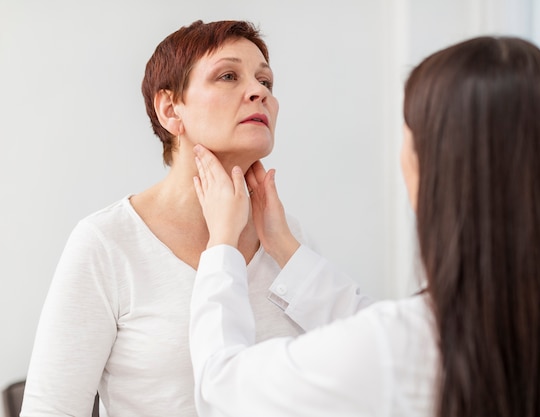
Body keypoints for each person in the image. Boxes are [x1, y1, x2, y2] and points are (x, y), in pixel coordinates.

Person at [189, 36, 540, 417]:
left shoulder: (398, 349)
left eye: (406, 134)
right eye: (228, 75)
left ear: (434, 165)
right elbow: (377, 328)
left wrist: (221, 244)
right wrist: (284, 247)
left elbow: (221, 390)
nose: (258, 91)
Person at [21, 20, 366, 417]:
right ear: (170, 109)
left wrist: (285, 245)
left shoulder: (290, 240)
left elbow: (345, 378)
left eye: (266, 82)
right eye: (228, 76)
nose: (259, 92)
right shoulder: (107, 242)